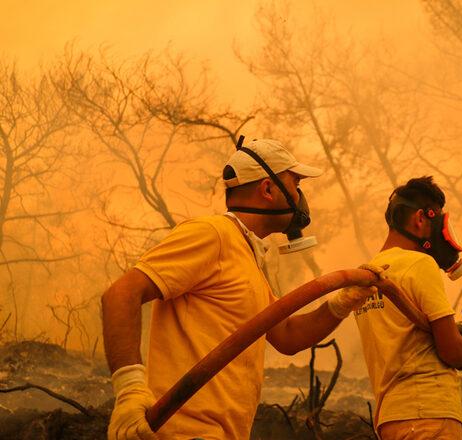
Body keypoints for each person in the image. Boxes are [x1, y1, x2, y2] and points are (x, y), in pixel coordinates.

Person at [102, 138, 381, 440]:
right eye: (295, 182)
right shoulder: (213, 234)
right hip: (185, 432)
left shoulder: (247, 254)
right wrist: (129, 390)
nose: (300, 195)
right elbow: (121, 294)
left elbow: (286, 334)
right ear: (268, 189)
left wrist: (340, 304)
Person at [353, 176, 462, 440]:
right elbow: (452, 351)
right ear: (420, 219)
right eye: (439, 223)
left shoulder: (366, 276)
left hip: (391, 419)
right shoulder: (419, 265)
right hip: (430, 414)